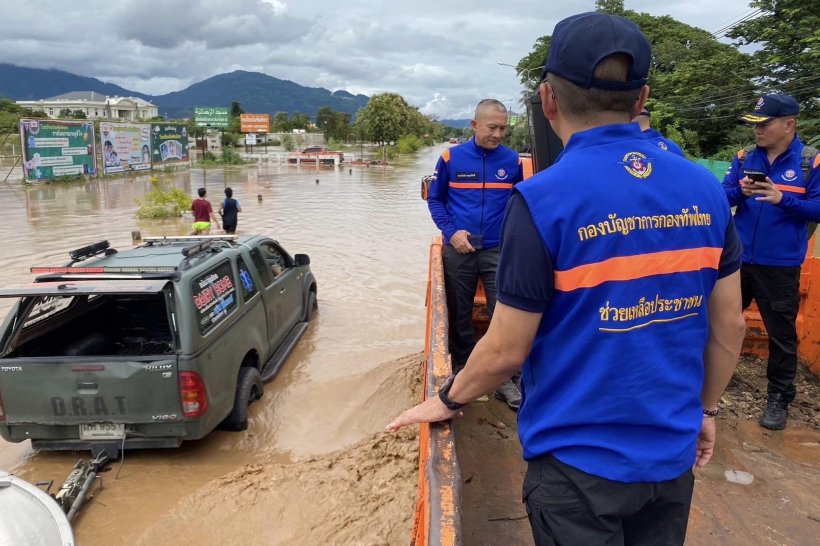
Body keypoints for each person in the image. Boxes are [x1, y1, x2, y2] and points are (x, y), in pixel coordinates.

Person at [388, 12, 746, 545]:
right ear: (642, 98)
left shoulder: (542, 200)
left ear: (548, 99)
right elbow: (730, 326)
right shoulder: (704, 187)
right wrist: (706, 410)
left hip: (577, 470)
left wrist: (449, 398)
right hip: (670, 459)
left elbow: (507, 350)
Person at [721, 93, 820, 430]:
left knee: (780, 335)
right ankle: (709, 384)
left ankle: (779, 397)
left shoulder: (811, 163)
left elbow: (818, 209)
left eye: (764, 124)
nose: (757, 131)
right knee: (721, 324)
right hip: (737, 260)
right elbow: (722, 196)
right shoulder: (744, 157)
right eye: (755, 124)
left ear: (789, 124)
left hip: (780, 265)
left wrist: (782, 200)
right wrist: (740, 193)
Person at [426, 98, 524, 410]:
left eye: (503, 128)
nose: (498, 134)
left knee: (503, 314)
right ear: (474, 125)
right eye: (492, 127)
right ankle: (464, 370)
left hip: (497, 250)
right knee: (460, 311)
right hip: (460, 249)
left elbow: (518, 206)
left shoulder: (512, 161)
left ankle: (504, 379)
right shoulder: (451, 158)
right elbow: (436, 200)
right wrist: (451, 232)